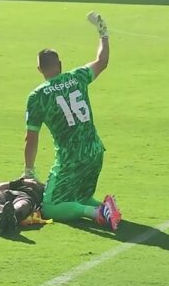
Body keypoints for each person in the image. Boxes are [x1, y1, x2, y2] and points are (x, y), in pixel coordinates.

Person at [22, 12, 121, 231]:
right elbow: (102, 61)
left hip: (70, 157)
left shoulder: (38, 96)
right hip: (95, 150)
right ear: (60, 64)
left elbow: (31, 138)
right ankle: (106, 207)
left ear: (40, 70)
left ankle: (97, 212)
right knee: (80, 195)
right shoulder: (77, 76)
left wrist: (29, 171)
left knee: (50, 207)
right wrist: (103, 33)